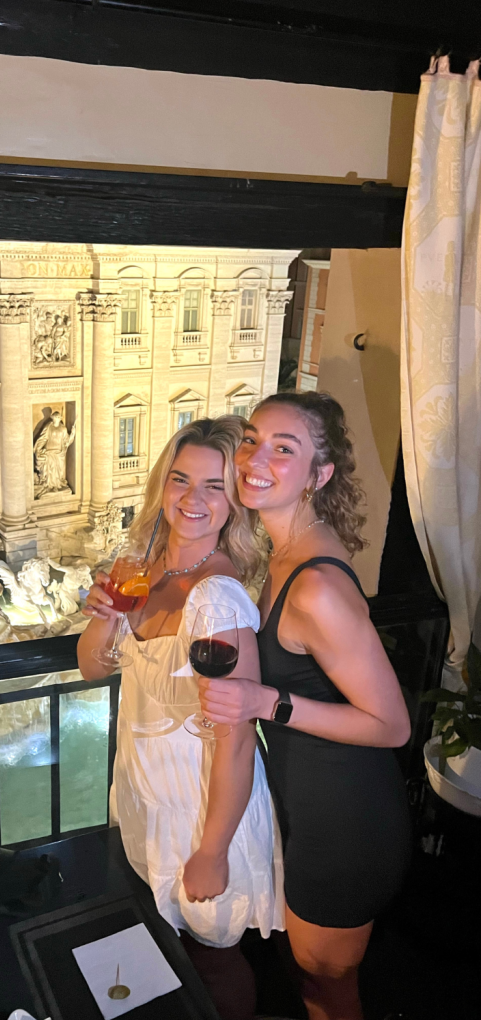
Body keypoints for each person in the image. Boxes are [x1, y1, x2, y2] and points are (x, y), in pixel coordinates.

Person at [198, 392, 412, 1020]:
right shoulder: (282, 553)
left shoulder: (314, 584)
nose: (254, 457)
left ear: (319, 476)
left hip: (347, 822)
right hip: (311, 802)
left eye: (283, 449)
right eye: (252, 439)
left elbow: (392, 724)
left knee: (325, 985)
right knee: (311, 976)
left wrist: (267, 701)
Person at [77, 417, 284, 1020]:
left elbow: (238, 740)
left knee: (214, 956)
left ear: (234, 504)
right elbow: (93, 668)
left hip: (201, 808)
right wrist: (103, 614)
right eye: (180, 479)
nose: (193, 499)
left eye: (214, 486)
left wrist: (213, 850)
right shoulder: (145, 569)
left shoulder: (216, 598)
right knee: (171, 948)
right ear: (161, 486)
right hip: (149, 791)